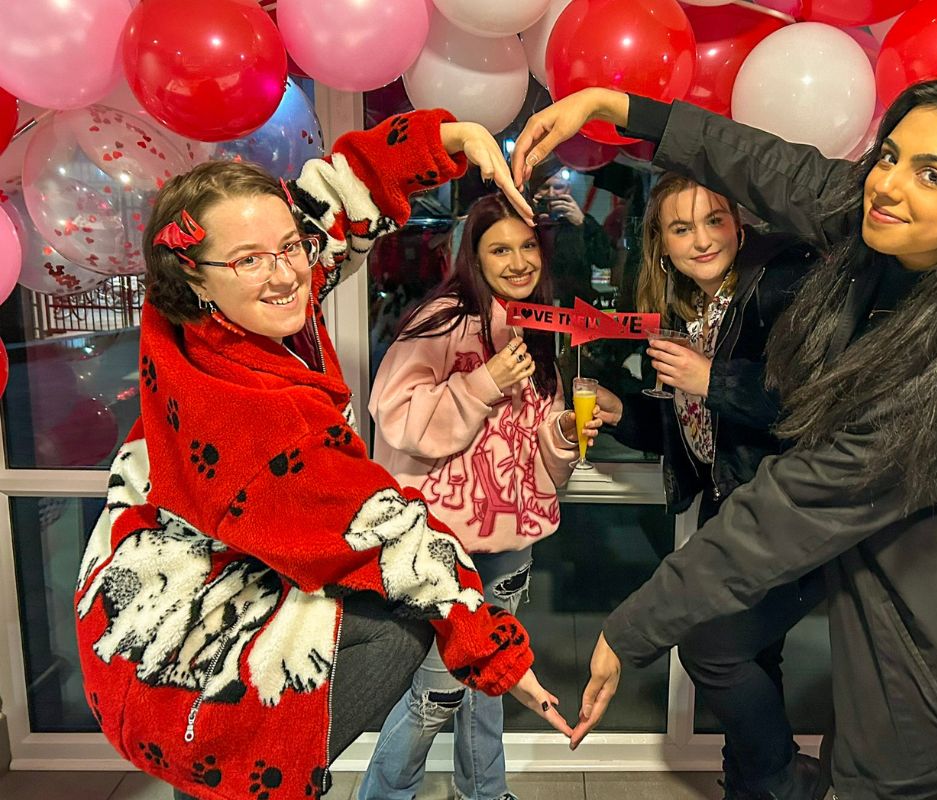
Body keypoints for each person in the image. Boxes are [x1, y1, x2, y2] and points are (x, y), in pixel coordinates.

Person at [512, 74, 937, 800]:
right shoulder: (886, 234)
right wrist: (618, 108)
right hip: (895, 611)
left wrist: (629, 628)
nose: (888, 185)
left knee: (871, 774)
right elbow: (780, 170)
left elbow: (785, 509)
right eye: (890, 156)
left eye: (932, 175)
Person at [75, 111, 570, 800]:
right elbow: (388, 534)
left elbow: (338, 197)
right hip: (175, 642)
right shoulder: (258, 417)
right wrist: (496, 653)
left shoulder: (213, 308)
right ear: (192, 276)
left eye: (289, 247)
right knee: (397, 635)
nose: (287, 275)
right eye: (250, 260)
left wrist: (447, 140)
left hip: (200, 568)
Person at [360, 193, 602, 800]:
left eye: (527, 246)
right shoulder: (440, 320)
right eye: (500, 249)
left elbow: (535, 452)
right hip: (440, 551)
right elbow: (395, 416)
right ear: (473, 254)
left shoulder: (537, 324)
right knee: (436, 696)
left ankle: (486, 793)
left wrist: (562, 435)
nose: (518, 262)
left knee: (490, 683)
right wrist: (482, 383)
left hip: (509, 547)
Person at [592, 171, 817, 795]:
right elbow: (690, 424)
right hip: (731, 510)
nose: (701, 239)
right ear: (661, 244)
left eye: (714, 220)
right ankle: (751, 787)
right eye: (681, 228)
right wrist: (622, 411)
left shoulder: (774, 290)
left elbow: (805, 402)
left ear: (738, 226)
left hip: (787, 513)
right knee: (755, 657)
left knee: (708, 646)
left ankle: (786, 781)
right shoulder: (688, 314)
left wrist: (711, 378)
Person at [531, 164, 617, 309]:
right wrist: (531, 218)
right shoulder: (527, 222)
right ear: (535, 191)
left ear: (568, 189)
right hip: (537, 304)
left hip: (575, 305)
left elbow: (606, 259)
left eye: (558, 187)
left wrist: (583, 223)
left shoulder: (581, 222)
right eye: (545, 187)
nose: (551, 194)